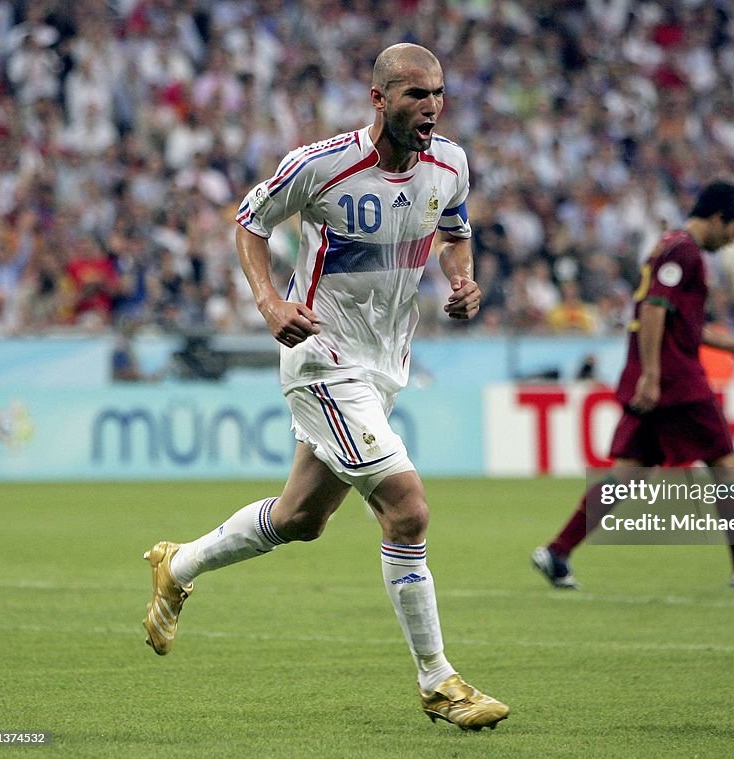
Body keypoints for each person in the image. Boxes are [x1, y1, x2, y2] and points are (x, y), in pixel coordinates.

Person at [141, 43, 509, 732]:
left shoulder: (451, 164)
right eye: (413, 94)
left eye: (437, 94)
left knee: (301, 518)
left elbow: (457, 231)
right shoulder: (321, 166)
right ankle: (439, 680)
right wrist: (269, 304)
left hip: (383, 366)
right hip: (321, 358)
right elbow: (250, 223)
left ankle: (178, 563)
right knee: (407, 508)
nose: (429, 106)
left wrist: (462, 279)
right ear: (378, 99)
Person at [532, 181, 734, 591]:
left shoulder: (669, 246)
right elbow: (654, 311)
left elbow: (680, 321)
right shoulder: (685, 251)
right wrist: (653, 376)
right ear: (719, 217)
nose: (733, 240)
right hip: (676, 381)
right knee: (726, 464)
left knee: (628, 473)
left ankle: (558, 551)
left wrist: (733, 348)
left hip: (660, 375)